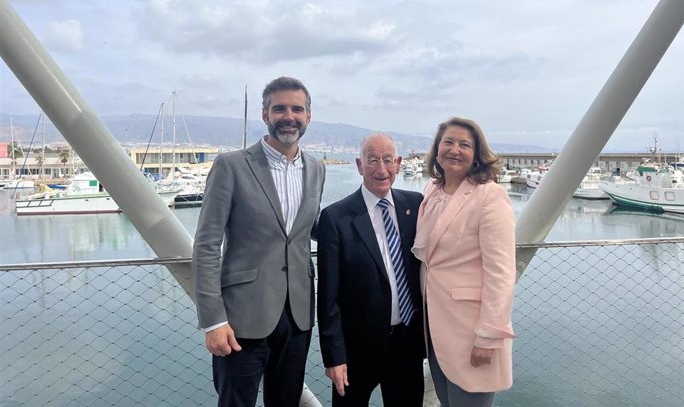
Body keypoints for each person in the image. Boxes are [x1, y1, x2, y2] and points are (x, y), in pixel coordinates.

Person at [192, 76, 325, 407]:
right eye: (279, 108)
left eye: (297, 109)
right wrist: (213, 320)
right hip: (240, 319)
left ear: (308, 116)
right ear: (265, 115)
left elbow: (309, 228)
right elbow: (207, 245)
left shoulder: (316, 169)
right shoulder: (232, 166)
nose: (289, 116)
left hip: (298, 314)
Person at [412, 117, 516, 407]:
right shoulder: (433, 190)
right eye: (448, 142)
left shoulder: (490, 196)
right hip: (434, 327)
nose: (454, 149)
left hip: (471, 332)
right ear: (436, 149)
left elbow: (501, 273)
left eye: (464, 144)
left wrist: (488, 336)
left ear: (477, 154)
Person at [317, 132, 425, 407]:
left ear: (399, 163)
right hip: (356, 350)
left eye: (388, 160)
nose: (381, 169)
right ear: (359, 165)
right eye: (372, 160)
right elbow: (328, 297)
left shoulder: (415, 205)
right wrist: (333, 356)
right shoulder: (336, 217)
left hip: (406, 345)